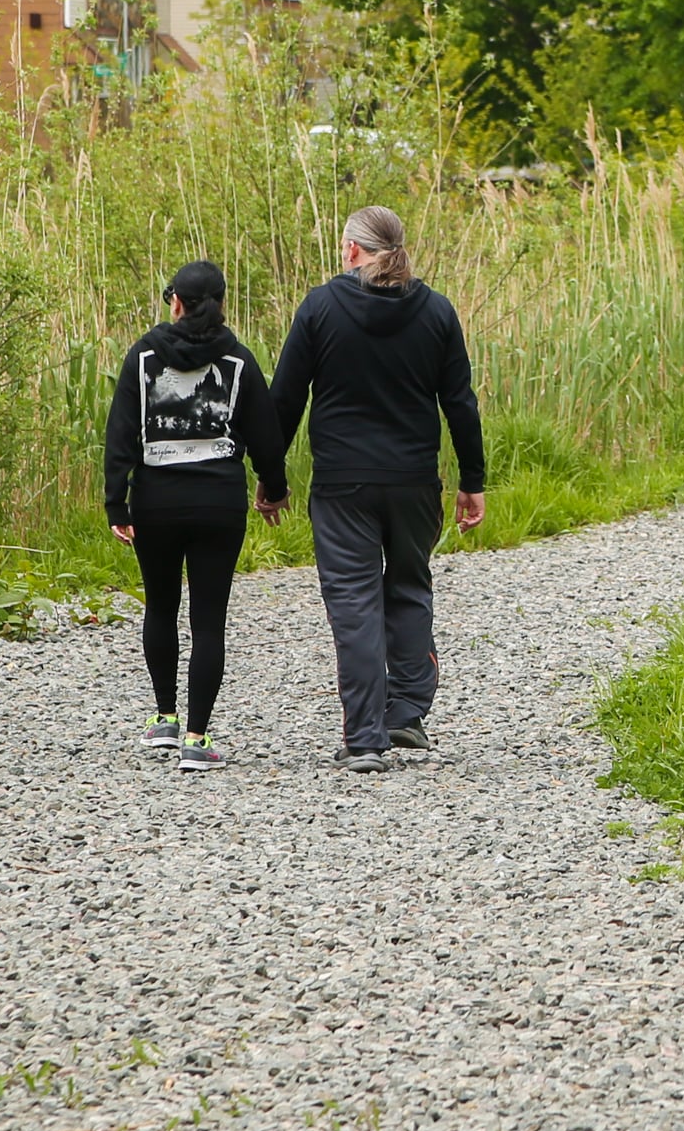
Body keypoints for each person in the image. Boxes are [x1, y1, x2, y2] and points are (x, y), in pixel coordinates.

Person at [266, 205, 486, 769]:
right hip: (414, 481)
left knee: (354, 604)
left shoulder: (320, 309)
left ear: (351, 251)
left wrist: (271, 479)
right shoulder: (436, 311)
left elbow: (286, 399)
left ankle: (365, 738)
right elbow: (458, 402)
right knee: (409, 585)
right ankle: (406, 713)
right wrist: (472, 480)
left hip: (342, 484)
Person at [102, 259, 286, 773]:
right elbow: (267, 438)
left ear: (176, 302)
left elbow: (121, 432)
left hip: (156, 500)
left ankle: (163, 717)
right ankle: (197, 739)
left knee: (160, 607)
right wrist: (275, 488)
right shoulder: (238, 362)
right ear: (221, 303)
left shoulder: (143, 357)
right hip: (219, 504)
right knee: (209, 623)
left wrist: (117, 501)